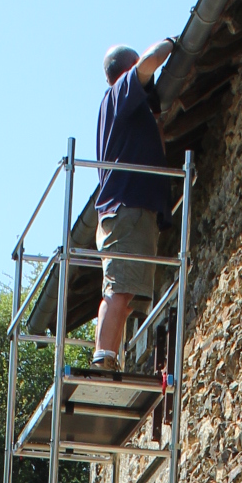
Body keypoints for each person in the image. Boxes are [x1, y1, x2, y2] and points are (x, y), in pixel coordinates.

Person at [92, 40, 176, 371]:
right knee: (118, 291)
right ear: (128, 69)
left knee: (122, 293)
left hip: (129, 211)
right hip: (127, 209)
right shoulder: (121, 93)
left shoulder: (122, 108)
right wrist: (172, 43)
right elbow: (153, 59)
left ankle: (106, 355)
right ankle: (103, 357)